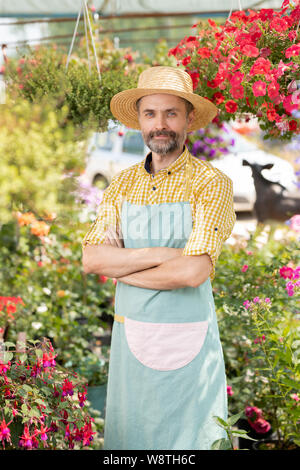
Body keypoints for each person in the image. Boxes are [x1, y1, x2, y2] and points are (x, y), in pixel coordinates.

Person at [82, 66, 237, 450]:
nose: (160, 124)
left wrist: (125, 267)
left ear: (187, 119)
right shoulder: (122, 183)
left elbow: (193, 271)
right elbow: (93, 259)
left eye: (171, 113)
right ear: (140, 121)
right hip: (130, 339)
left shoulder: (211, 183)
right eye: (150, 114)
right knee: (130, 442)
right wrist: (158, 255)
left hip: (189, 341)